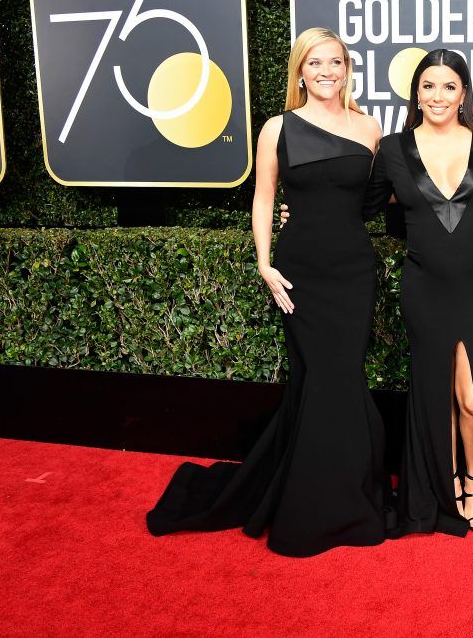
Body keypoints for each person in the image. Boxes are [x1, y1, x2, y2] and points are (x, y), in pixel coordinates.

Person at [146, 28, 387, 557]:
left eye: (336, 62)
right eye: (316, 63)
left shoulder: (370, 128)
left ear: (348, 69)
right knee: (320, 377)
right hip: (301, 269)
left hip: (353, 270)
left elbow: (372, 203)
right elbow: (263, 198)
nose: (327, 71)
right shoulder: (278, 127)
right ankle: (315, 505)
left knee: (341, 377)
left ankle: (344, 494)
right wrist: (264, 263)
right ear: (299, 71)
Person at [362, 49, 473, 536]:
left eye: (449, 86)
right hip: (426, 289)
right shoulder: (393, 150)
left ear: (464, 93)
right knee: (436, 394)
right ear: (416, 92)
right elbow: (362, 207)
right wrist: (296, 216)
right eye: (429, 85)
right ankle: (444, 481)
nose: (438, 95)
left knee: (472, 399)